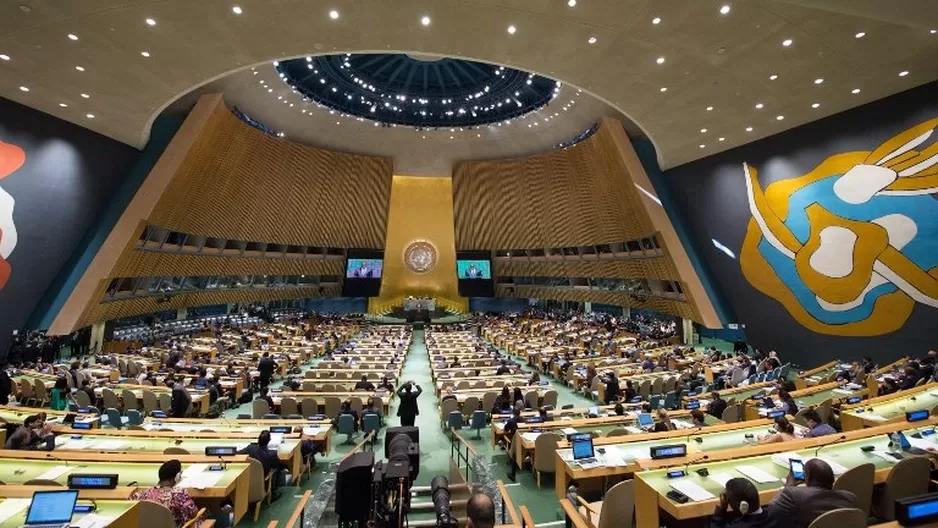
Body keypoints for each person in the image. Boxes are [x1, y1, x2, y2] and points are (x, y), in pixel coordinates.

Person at [769, 459, 856, 528]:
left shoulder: (793, 494)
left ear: (808, 478)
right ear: (832, 479)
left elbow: (770, 511)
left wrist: (788, 486)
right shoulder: (850, 497)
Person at [131, 460, 200, 527]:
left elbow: (131, 504)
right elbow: (193, 512)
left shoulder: (146, 493)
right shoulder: (178, 494)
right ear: (177, 476)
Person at [711, 477, 778, 527]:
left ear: (743, 506)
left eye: (729, 500)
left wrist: (722, 509)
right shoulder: (777, 514)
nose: (728, 501)